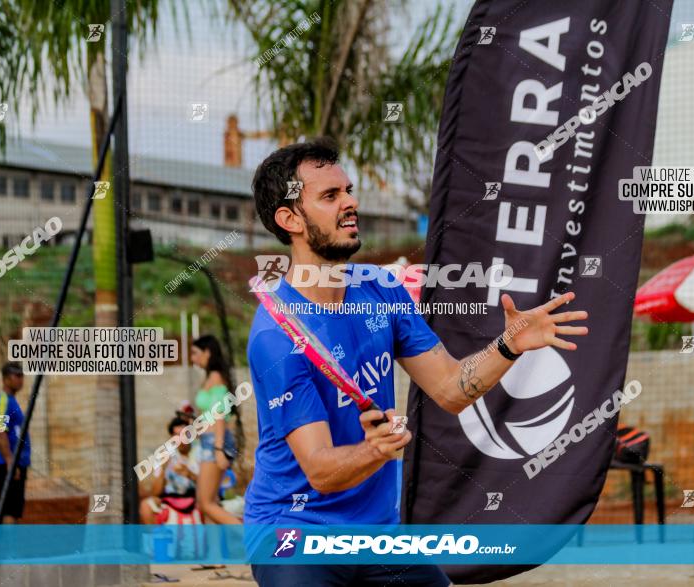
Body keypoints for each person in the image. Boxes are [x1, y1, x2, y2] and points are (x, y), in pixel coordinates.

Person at [245, 138, 589, 586]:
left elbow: (450, 388)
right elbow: (322, 472)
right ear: (290, 219)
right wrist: (375, 449)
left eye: (348, 190)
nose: (350, 202)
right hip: (292, 534)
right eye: (330, 196)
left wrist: (509, 344)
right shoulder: (275, 336)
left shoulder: (379, 290)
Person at [190, 335, 243, 525]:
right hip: (209, 441)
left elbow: (219, 414)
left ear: (208, 353)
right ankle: (216, 554)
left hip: (215, 442)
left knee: (205, 503)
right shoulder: (212, 378)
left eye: (196, 353)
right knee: (211, 501)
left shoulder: (216, 378)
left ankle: (253, 538)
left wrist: (219, 449)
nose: (192, 358)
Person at [0, 361, 29, 524]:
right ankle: (8, 550)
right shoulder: (3, 401)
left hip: (13, 463)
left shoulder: (12, 401)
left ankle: (1, 549)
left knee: (10, 510)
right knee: (7, 511)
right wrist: (10, 460)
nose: (21, 379)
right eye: (17, 376)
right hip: (6, 464)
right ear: (6, 379)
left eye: (22, 376)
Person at [139, 417, 201, 524]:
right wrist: (163, 469)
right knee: (145, 506)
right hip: (170, 500)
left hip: (195, 498)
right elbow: (155, 493)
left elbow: (209, 486)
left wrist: (189, 474)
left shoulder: (200, 452)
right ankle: (157, 539)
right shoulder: (165, 455)